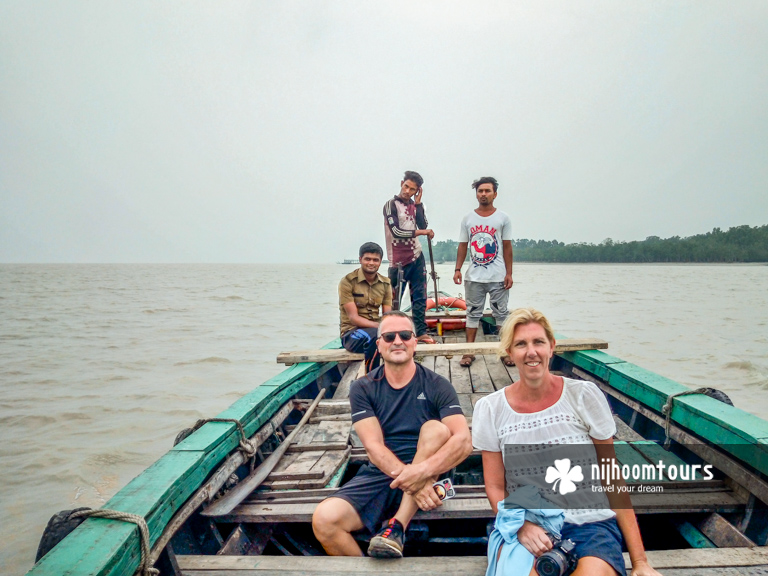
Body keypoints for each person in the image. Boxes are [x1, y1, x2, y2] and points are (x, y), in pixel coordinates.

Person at [472, 308, 662, 576]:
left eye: (538, 342)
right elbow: (494, 485)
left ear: (552, 347)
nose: (531, 352)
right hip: (529, 523)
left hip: (590, 525)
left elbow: (611, 477)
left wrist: (640, 562)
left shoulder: (582, 395)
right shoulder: (491, 408)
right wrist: (522, 526)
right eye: (520, 344)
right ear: (509, 354)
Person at [312, 311, 473, 558]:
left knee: (436, 429)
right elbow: (374, 447)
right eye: (389, 336)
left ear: (414, 341)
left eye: (405, 335)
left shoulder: (437, 384)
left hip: (432, 469)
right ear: (379, 344)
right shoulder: (363, 388)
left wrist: (421, 472)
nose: (397, 341)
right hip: (384, 472)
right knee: (324, 519)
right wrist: (414, 483)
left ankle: (396, 526)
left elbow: (463, 442)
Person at [453, 176, 513, 367]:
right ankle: (468, 352)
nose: (484, 194)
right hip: (474, 277)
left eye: (487, 191)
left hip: (497, 276)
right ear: (476, 194)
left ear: (495, 194)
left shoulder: (503, 218)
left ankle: (505, 351)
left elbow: (507, 246)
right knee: (472, 313)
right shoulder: (468, 219)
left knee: (501, 314)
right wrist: (457, 269)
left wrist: (509, 273)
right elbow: (463, 246)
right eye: (480, 191)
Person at [383, 170, 437, 344]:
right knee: (394, 300)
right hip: (397, 261)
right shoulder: (390, 205)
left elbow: (423, 224)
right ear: (401, 183)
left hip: (416, 256)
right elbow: (397, 231)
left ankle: (420, 332)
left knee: (420, 297)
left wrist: (419, 205)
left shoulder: (415, 206)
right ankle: (392, 333)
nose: (407, 191)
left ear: (417, 191)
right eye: (406, 186)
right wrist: (423, 232)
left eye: (412, 189)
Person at [338, 242, 392, 370]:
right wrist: (380, 327)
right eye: (367, 259)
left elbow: (387, 315)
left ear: (380, 262)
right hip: (351, 334)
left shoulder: (385, 283)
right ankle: (372, 379)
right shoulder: (347, 282)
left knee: (406, 335)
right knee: (374, 336)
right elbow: (353, 318)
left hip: (377, 330)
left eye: (375, 260)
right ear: (360, 260)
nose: (371, 263)